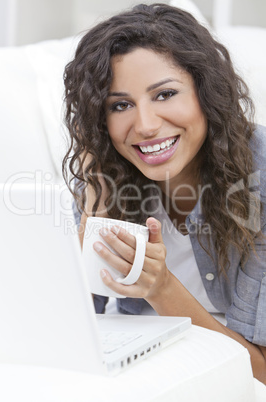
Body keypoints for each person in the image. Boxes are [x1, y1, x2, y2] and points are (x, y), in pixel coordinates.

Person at [63, 3, 266, 383]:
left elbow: (262, 372)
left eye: (164, 94)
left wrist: (161, 288)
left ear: (207, 93)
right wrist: (94, 216)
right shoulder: (106, 172)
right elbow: (68, 330)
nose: (145, 125)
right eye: (120, 105)